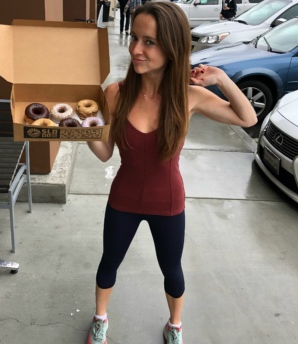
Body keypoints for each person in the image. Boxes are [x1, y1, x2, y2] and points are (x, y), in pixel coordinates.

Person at [85, 2, 257, 344]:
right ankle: (100, 318)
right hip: (124, 198)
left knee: (172, 272)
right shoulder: (115, 94)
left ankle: (175, 325)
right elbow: (105, 153)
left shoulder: (189, 96)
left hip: (168, 202)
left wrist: (220, 77)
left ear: (172, 46)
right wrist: (82, 132)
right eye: (135, 38)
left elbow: (248, 118)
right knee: (108, 264)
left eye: (149, 41)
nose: (135, 49)